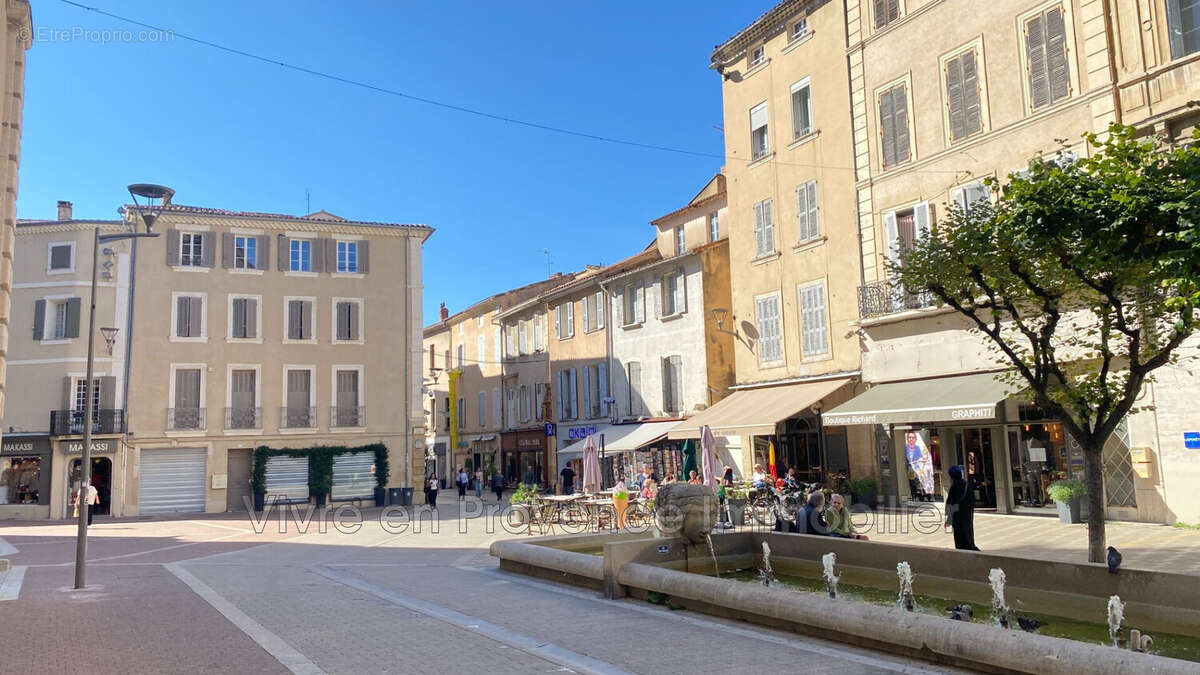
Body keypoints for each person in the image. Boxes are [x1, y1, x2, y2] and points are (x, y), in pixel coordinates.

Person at [945, 465, 979, 551]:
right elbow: (973, 500)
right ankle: (971, 547)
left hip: (957, 516)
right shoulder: (967, 485)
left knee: (959, 537)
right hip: (967, 514)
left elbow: (950, 504)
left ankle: (963, 551)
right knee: (968, 533)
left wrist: (949, 519)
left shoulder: (954, 487)